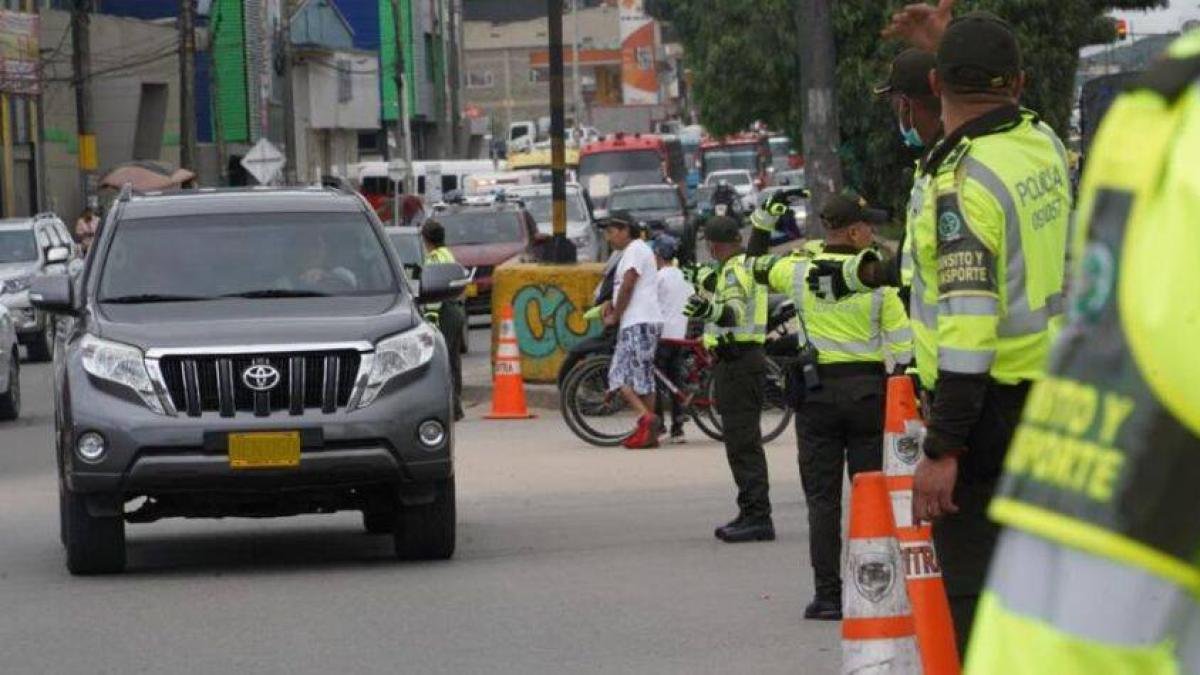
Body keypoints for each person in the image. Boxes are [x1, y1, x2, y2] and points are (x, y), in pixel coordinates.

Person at [809, 10, 1071, 650]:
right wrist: (948, 47)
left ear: (932, 85)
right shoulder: (1041, 143)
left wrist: (941, 450)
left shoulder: (962, 184)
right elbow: (998, 109)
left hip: (987, 416)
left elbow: (969, 330)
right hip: (1056, 400)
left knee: (980, 604)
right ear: (1019, 81)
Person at [966, 30, 1200, 673]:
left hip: (992, 398)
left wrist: (943, 435)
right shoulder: (1044, 145)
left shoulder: (1170, 128)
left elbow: (1080, 612)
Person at [749, 192, 912, 620]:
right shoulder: (876, 279)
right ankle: (875, 591)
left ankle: (827, 596)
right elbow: (904, 351)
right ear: (855, 231)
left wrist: (764, 220)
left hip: (818, 397)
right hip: (868, 397)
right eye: (869, 227)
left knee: (822, 503)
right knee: (871, 499)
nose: (873, 233)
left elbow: (752, 266)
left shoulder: (799, 270)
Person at [683, 216, 772, 543]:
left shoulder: (734, 272)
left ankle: (758, 515)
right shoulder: (739, 267)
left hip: (738, 362)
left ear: (714, 246)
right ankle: (751, 510)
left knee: (742, 443)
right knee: (741, 442)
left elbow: (731, 313)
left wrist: (706, 313)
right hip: (741, 361)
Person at [601, 211, 663, 449]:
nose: (609, 238)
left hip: (639, 321)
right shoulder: (633, 251)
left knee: (619, 376)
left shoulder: (636, 249)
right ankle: (649, 432)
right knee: (642, 379)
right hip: (639, 320)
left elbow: (628, 285)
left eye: (611, 232)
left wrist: (616, 315)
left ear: (625, 230)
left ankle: (646, 418)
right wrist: (613, 305)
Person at [421, 220, 465, 421]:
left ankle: (451, 409)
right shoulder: (447, 255)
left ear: (425, 240)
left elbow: (433, 293)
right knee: (454, 363)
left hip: (444, 312)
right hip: (456, 310)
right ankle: (457, 406)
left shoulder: (432, 259)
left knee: (442, 364)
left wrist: (430, 319)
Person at [652, 234, 692, 443]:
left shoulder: (659, 277)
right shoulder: (684, 275)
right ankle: (678, 429)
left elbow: (652, 304)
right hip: (680, 336)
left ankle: (660, 427)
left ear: (658, 254)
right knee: (675, 380)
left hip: (662, 336)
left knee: (657, 381)